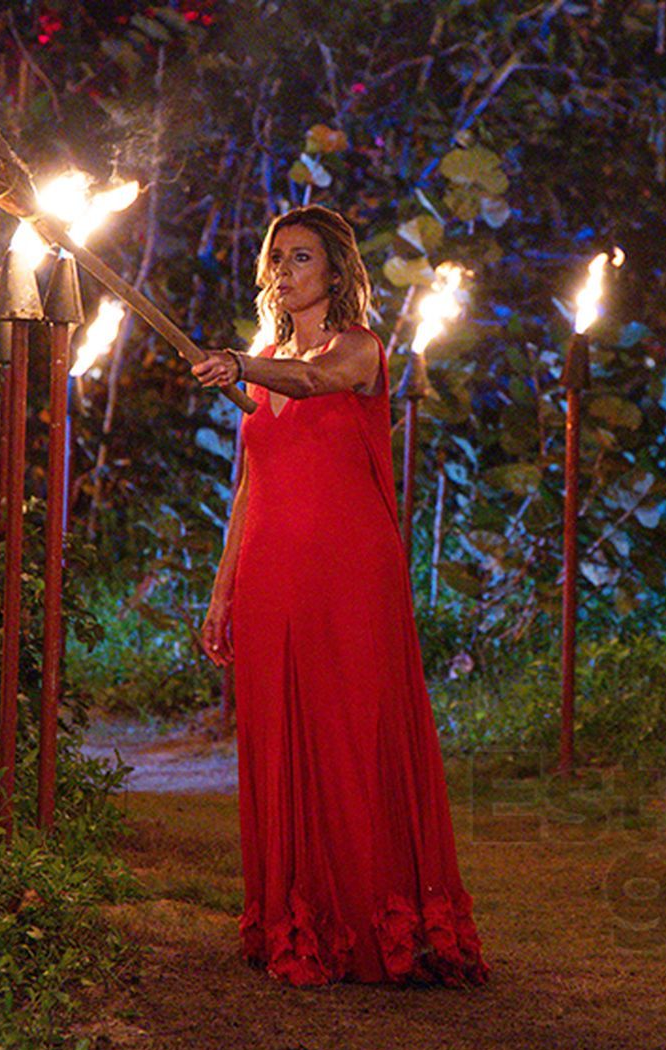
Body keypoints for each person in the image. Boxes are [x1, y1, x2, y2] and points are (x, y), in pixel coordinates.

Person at [189, 205, 491, 989]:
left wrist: (240, 366)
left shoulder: (359, 350)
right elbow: (250, 486)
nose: (284, 271)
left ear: (335, 271)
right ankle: (298, 917)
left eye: (301, 257)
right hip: (271, 570)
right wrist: (223, 591)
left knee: (350, 732)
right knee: (279, 738)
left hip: (349, 570)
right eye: (277, 257)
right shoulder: (264, 358)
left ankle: (373, 918)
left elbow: (315, 382)